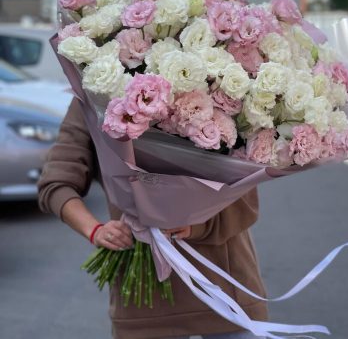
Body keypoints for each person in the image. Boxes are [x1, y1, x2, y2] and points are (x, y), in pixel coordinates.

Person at [38, 97, 268, 339]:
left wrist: (201, 224)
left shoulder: (217, 91)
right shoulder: (93, 97)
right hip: (146, 302)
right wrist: (95, 230)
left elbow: (245, 190)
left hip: (225, 290)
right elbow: (56, 183)